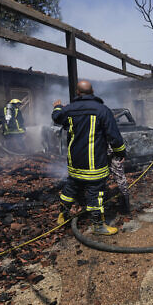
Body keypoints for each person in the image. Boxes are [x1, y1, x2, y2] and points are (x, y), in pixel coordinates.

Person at [52, 80, 126, 235]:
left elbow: (57, 117)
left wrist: (57, 106)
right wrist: (120, 153)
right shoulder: (102, 110)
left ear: (77, 93)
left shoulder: (69, 110)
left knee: (71, 188)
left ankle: (62, 215)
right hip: (94, 164)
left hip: (74, 162)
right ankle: (98, 226)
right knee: (96, 193)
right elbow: (115, 137)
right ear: (92, 91)